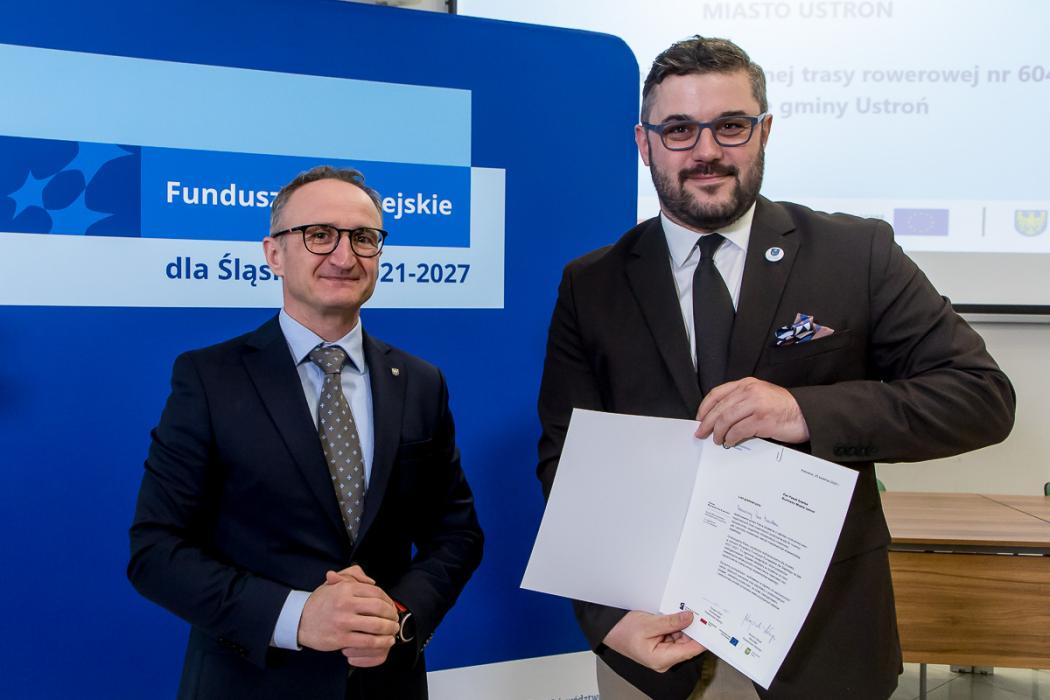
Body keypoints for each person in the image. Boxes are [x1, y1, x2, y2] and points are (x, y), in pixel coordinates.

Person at [537, 36, 1014, 700]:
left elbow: (981, 397)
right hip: (650, 650)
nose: (706, 150)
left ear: (764, 132)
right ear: (645, 144)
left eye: (730, 126)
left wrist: (803, 412)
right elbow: (567, 462)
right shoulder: (592, 285)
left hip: (820, 648)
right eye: (679, 130)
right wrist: (606, 617)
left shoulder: (856, 254)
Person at [129, 165, 484, 699]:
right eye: (319, 235)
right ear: (274, 253)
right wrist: (296, 617)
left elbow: (456, 534)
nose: (344, 256)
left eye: (363, 237)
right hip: (250, 685)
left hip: (385, 683)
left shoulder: (419, 381)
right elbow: (156, 550)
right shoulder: (208, 378)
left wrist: (397, 615)